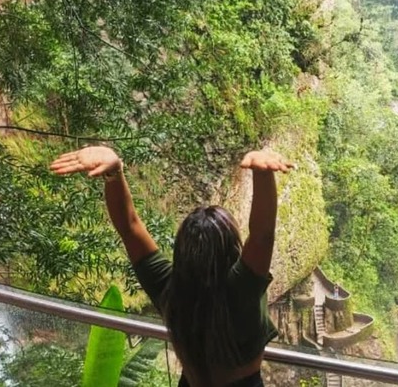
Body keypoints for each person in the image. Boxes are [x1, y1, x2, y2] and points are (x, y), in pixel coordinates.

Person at [50, 146, 293, 387]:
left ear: (182, 250)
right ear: (232, 249)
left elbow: (129, 226)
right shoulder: (242, 289)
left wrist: (114, 172)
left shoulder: (169, 289)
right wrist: (262, 172)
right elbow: (262, 236)